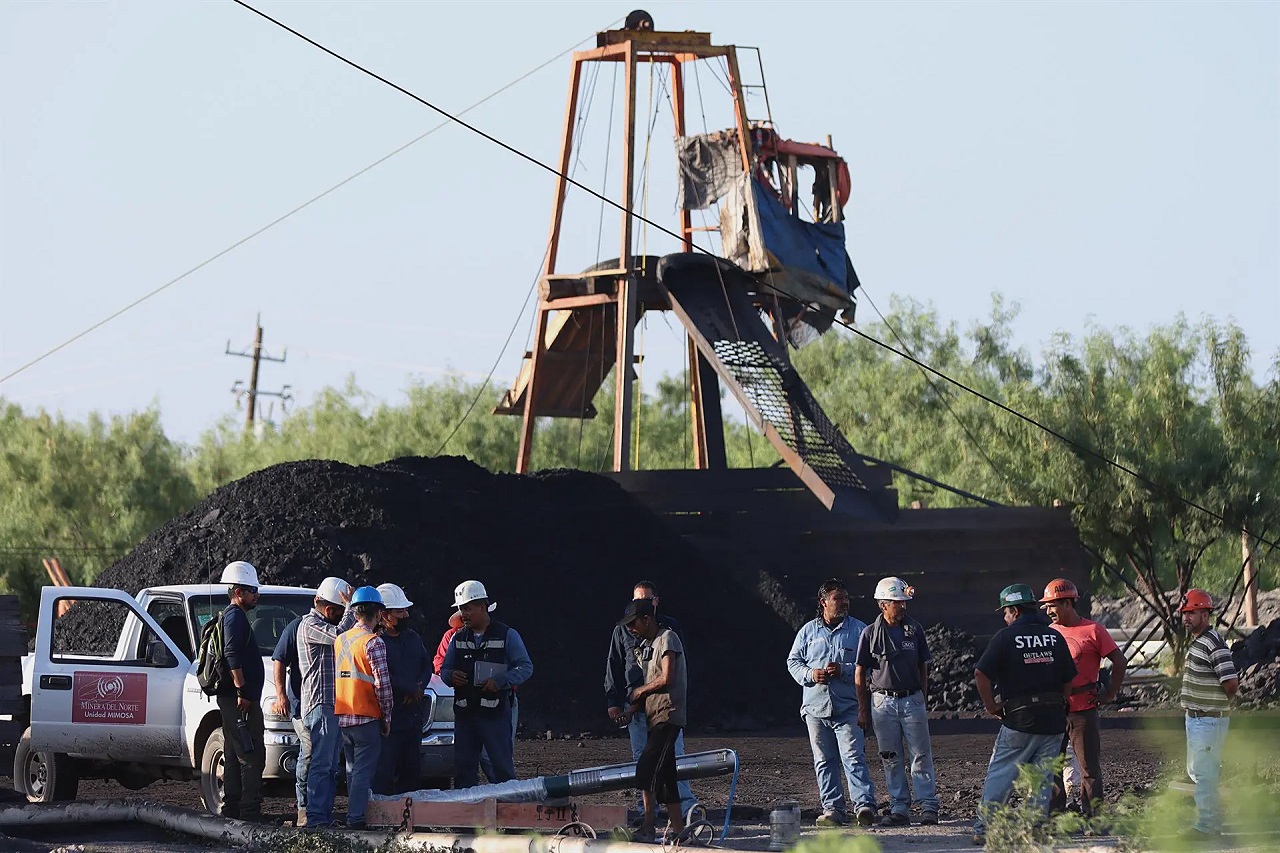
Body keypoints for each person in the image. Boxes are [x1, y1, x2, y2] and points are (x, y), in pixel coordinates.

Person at [972, 583, 1077, 846]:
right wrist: (1061, 703)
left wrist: (991, 706)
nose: (1004, 618)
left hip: (1019, 718)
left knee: (1002, 772)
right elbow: (1068, 678)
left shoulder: (1005, 638)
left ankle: (986, 827)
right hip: (1052, 720)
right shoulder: (1054, 637)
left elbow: (981, 674)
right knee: (1041, 777)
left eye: (1005, 613)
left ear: (1015, 611)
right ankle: (1034, 827)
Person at [785, 578, 878, 828]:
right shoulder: (807, 632)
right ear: (823, 602)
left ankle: (864, 807)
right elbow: (793, 662)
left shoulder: (860, 631)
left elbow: (871, 668)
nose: (844, 603)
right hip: (816, 709)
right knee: (824, 760)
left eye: (846, 599)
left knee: (853, 756)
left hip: (848, 707)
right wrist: (811, 675)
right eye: (838, 599)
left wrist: (844, 670)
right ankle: (833, 809)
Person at [604, 580, 697, 818]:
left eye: (646, 600)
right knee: (642, 759)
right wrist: (613, 700)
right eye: (637, 601)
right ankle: (648, 812)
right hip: (637, 708)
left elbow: (672, 673)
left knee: (672, 758)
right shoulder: (623, 630)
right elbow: (614, 665)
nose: (641, 605)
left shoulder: (668, 633)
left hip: (664, 706)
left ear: (656, 602)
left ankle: (685, 810)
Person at [855, 576, 939, 826]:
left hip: (911, 698)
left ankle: (928, 806)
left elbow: (923, 665)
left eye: (903, 602)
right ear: (883, 605)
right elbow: (860, 671)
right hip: (883, 702)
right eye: (897, 602)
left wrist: (922, 696)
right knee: (890, 756)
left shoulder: (914, 630)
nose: (903, 606)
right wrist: (863, 709)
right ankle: (899, 807)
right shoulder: (870, 634)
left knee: (920, 754)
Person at [1040, 578, 1127, 818]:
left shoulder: (1093, 631)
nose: (1048, 611)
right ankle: (1056, 817)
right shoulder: (1049, 633)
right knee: (1053, 766)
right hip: (1056, 710)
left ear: (1068, 603)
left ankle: (1092, 816)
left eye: (1053, 605)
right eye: (1046, 606)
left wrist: (1110, 693)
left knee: (1089, 767)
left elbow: (1119, 661)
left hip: (1083, 710)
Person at [441, 580, 533, 788]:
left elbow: (525, 667)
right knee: (464, 769)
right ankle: (465, 816)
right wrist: (450, 676)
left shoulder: (507, 635)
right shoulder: (458, 638)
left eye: (467, 608)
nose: (463, 614)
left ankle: (509, 812)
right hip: (466, 715)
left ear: (482, 607)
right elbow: (444, 669)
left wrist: (500, 682)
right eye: (460, 609)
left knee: (500, 766)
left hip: (495, 715)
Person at [619, 598, 688, 843]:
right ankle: (680, 832)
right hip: (653, 716)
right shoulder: (648, 645)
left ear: (647, 619)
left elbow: (667, 677)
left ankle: (648, 827)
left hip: (668, 715)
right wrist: (630, 711)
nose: (630, 629)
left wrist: (639, 692)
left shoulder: (667, 638)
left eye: (633, 623)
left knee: (646, 768)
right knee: (667, 776)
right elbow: (651, 684)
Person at [1177, 589, 1238, 843]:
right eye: (1185, 614)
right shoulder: (1200, 641)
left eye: (1192, 613)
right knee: (1198, 771)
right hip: (1197, 718)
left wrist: (1217, 706)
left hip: (1208, 719)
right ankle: (1210, 822)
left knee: (1204, 773)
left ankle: (1207, 826)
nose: (1187, 618)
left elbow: (1231, 682)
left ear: (1205, 613)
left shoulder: (1213, 641)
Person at [335, 586, 394, 830]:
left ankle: (354, 812)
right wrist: (387, 716)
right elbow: (383, 686)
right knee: (362, 772)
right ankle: (356, 819)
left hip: (343, 715)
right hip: (366, 716)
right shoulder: (373, 642)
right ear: (378, 613)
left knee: (352, 770)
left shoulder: (341, 639)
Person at [298, 576, 355, 829]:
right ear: (330, 609)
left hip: (331, 704)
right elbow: (341, 635)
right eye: (340, 610)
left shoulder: (317, 623)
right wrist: (352, 608)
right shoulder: (309, 624)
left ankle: (322, 815)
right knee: (322, 764)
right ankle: (317, 819)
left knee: (330, 765)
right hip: (321, 704)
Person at [215, 560, 266, 822]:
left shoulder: (233, 616)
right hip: (238, 700)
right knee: (251, 755)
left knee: (235, 755)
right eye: (253, 590)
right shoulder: (234, 617)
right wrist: (242, 692)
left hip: (234, 699)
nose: (257, 595)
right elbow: (232, 655)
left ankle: (232, 812)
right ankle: (249, 814)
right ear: (239, 592)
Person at [374, 582, 432, 795]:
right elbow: (381, 674)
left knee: (411, 771)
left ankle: (408, 817)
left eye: (405, 610)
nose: (406, 614)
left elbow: (427, 665)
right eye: (400, 611)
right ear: (384, 614)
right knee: (384, 771)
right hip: (388, 719)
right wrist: (407, 688)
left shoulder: (413, 638)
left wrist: (418, 688)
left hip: (412, 717)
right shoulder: (376, 642)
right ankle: (381, 819)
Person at [271, 607, 310, 826]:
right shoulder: (296, 627)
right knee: (309, 752)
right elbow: (279, 659)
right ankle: (303, 809)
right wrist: (280, 695)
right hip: (300, 706)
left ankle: (318, 809)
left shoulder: (335, 628)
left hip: (332, 708)